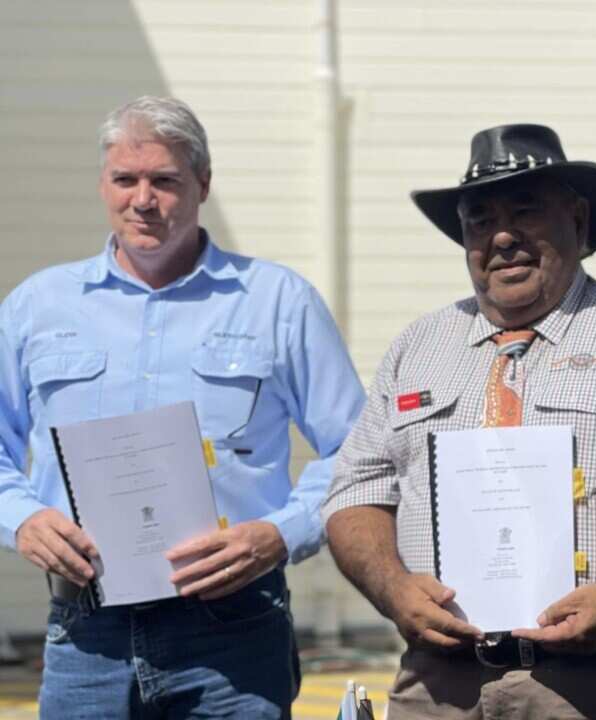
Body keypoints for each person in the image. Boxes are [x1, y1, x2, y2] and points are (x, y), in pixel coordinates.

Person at [323, 123, 596, 719]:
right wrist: (395, 589)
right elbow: (356, 492)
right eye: (479, 221)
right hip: (435, 687)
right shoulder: (417, 346)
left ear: (578, 222)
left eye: (526, 212)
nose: (502, 236)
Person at [0, 95, 365, 718]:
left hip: (234, 632)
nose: (143, 199)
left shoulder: (277, 302)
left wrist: (281, 534)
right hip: (86, 634)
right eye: (125, 180)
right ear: (103, 184)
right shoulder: (39, 305)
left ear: (202, 183)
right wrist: (23, 519)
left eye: (164, 180)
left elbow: (359, 448)